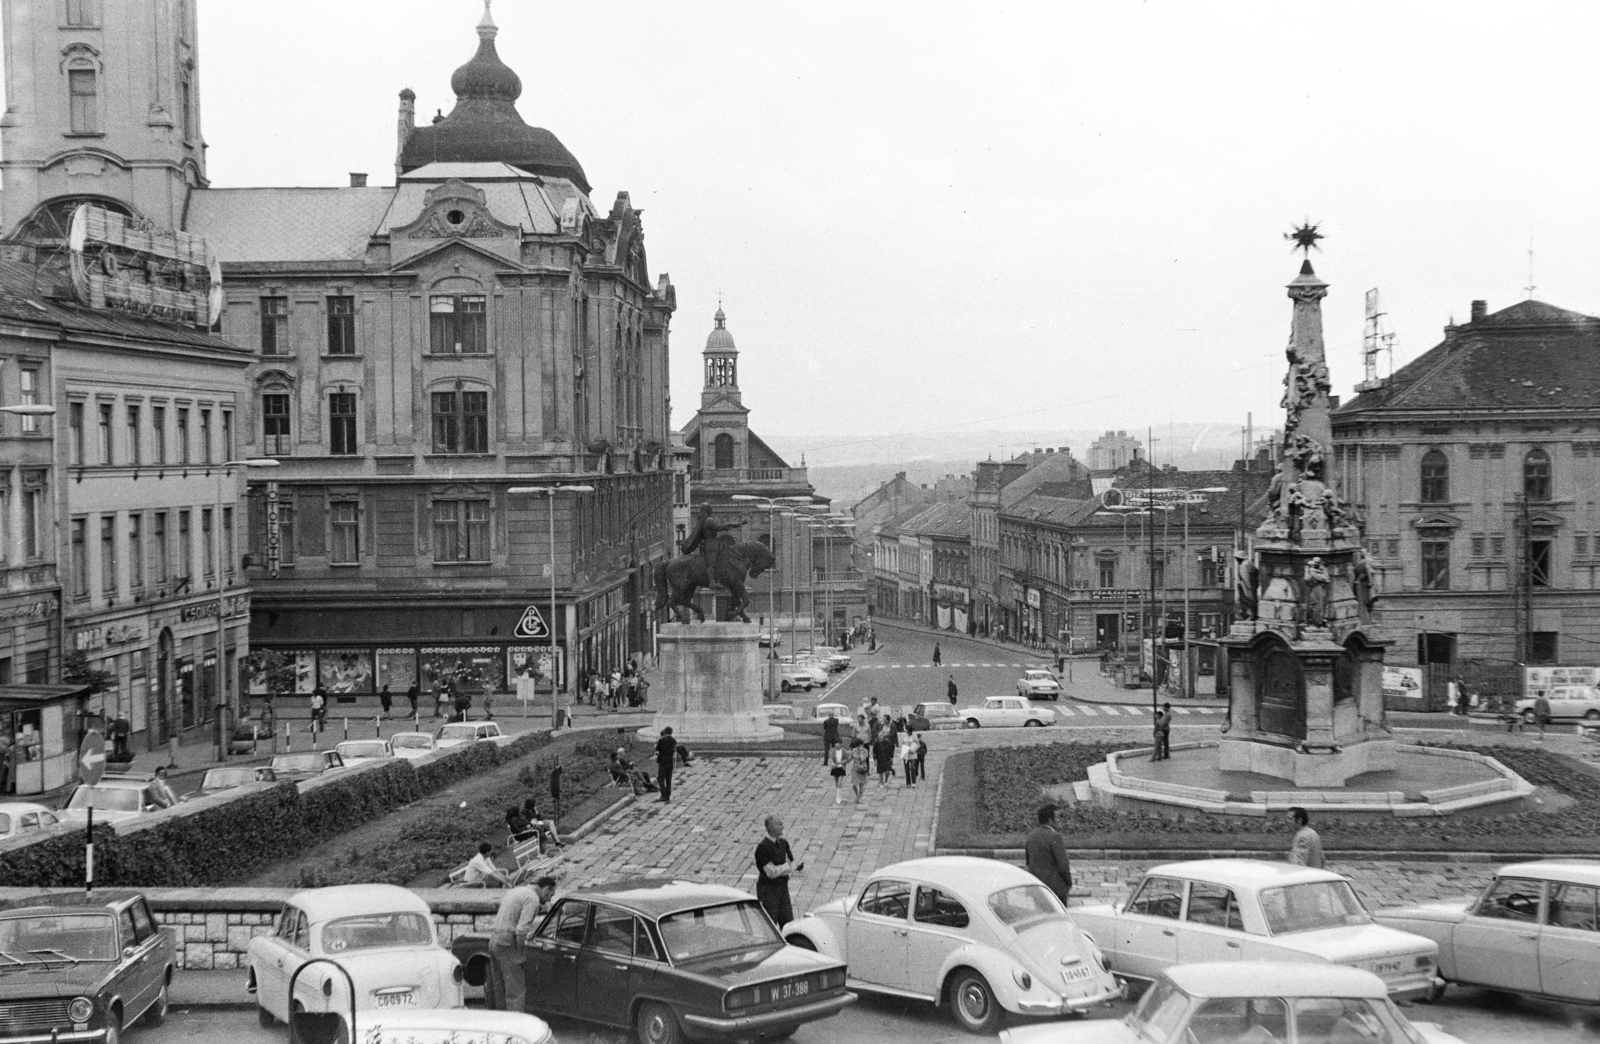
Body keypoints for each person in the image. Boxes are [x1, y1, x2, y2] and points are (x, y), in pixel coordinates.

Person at [490, 878, 542, 1012]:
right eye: (550, 895)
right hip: (508, 941)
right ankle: (516, 1019)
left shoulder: (516, 891)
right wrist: (520, 951)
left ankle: (501, 1018)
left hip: (495, 938)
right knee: (516, 988)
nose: (548, 899)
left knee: (500, 985)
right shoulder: (533, 898)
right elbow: (521, 930)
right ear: (546, 890)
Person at [754, 815, 802, 927]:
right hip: (769, 891)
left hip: (782, 888)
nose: (782, 827)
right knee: (770, 925)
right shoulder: (762, 848)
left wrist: (782, 868)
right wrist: (786, 867)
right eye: (779, 824)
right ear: (772, 828)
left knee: (788, 923)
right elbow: (771, 873)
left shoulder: (783, 843)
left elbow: (792, 864)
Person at [1025, 803, 1073, 907]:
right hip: (1056, 889)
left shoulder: (1031, 836)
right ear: (1050, 820)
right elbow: (1063, 865)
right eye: (1058, 817)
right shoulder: (1055, 837)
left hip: (1038, 888)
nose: (1060, 820)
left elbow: (1028, 862)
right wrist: (1068, 883)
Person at [655, 727, 677, 803]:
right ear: (671, 732)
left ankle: (663, 795)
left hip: (663, 761)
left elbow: (657, 749)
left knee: (660, 778)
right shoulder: (673, 740)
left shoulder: (661, 740)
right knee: (668, 779)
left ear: (665, 732)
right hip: (670, 761)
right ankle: (668, 795)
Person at [849, 738, 871, 803]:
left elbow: (863, 759)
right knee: (854, 784)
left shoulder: (865, 751)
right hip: (855, 768)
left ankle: (859, 797)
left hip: (862, 768)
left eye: (862, 745)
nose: (861, 746)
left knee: (861, 785)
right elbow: (850, 758)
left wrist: (861, 752)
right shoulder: (853, 750)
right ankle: (857, 795)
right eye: (859, 745)